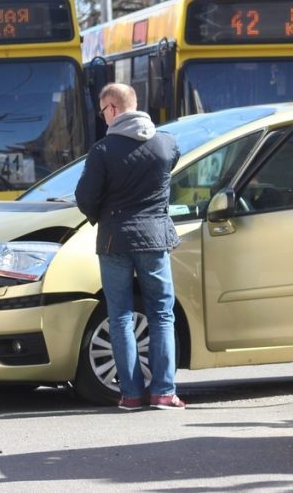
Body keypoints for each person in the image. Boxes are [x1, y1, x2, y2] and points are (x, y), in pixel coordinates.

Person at [74, 82, 185, 411]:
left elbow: (84, 198)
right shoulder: (166, 145)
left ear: (113, 108)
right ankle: (165, 392)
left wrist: (104, 216)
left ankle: (132, 394)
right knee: (162, 314)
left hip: (113, 240)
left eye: (102, 110)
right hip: (154, 238)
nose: (102, 117)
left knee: (121, 316)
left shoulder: (103, 151)